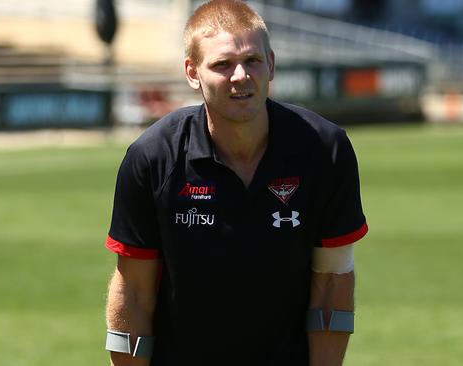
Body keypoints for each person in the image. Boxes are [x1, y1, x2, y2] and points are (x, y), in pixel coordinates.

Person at [103, 1, 368, 365]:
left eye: (252, 61)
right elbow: (134, 293)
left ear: (271, 64)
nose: (241, 76)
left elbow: (332, 284)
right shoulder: (153, 158)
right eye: (222, 64)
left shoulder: (324, 150)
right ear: (192, 72)